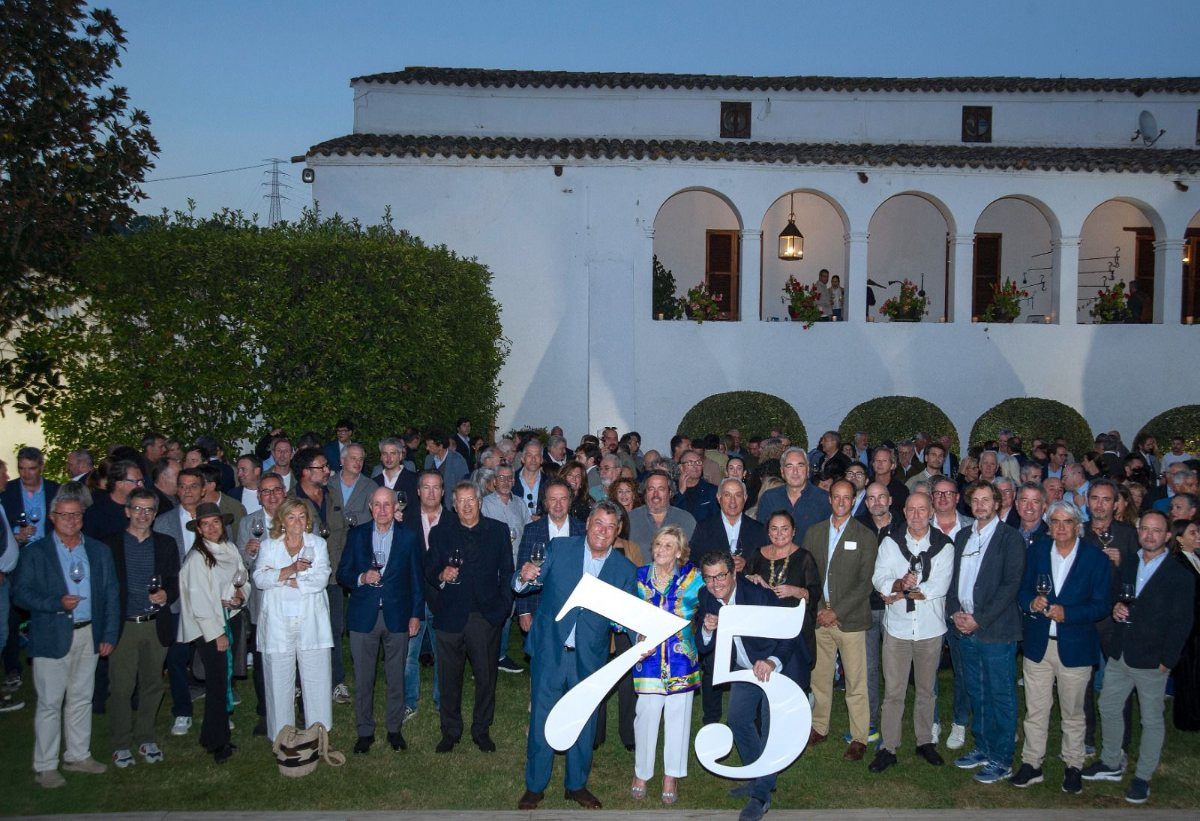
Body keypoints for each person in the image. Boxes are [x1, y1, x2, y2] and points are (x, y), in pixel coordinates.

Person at [514, 501, 637, 810]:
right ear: (588, 524)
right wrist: (525, 576)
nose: (603, 531)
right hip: (551, 650)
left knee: (584, 721)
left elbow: (628, 617)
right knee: (543, 718)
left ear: (617, 531)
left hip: (590, 657)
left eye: (610, 527)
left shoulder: (624, 569)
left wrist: (640, 637)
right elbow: (528, 581)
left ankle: (576, 785)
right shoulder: (561, 547)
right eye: (598, 523)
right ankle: (535, 786)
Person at [1082, 510, 1195, 803]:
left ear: (1168, 537)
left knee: (1151, 720)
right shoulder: (1130, 562)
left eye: (1156, 531)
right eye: (1145, 529)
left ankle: (1143, 777)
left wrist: (1167, 660)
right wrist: (1117, 607)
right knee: (1107, 706)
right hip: (1121, 651)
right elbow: (1119, 595)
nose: (1150, 535)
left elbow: (1182, 622)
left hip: (1153, 659)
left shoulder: (1179, 574)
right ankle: (1111, 761)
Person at [15, 491, 119, 788]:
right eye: (65, 515)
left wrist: (109, 633)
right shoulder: (37, 553)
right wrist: (56, 603)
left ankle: (77, 755)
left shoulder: (98, 551)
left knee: (81, 698)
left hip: (89, 632)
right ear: (52, 518)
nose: (71, 520)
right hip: (52, 635)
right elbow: (21, 593)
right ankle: (45, 765)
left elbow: (111, 593)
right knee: (50, 702)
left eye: (76, 514)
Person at [1010, 501, 1111, 794]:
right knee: (1036, 710)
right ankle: (1032, 764)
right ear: (1049, 524)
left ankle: (1073, 765)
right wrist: (1031, 603)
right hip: (1039, 645)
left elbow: (1102, 604)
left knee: (1073, 713)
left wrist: (1069, 614)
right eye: (1055, 521)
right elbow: (1024, 590)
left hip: (1075, 646)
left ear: (1078, 525)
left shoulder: (1095, 559)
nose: (1061, 527)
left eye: (1067, 522)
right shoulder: (1038, 551)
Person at [696, 550, 789, 821]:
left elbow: (789, 633)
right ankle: (758, 775)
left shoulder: (758, 596)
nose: (715, 584)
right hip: (743, 667)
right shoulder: (707, 597)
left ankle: (761, 796)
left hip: (775, 665)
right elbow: (703, 646)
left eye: (721, 576)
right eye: (709, 578)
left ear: (733, 573)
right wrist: (708, 630)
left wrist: (772, 662)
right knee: (738, 720)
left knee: (771, 732)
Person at [868, 492, 954, 773]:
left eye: (922, 510)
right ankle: (888, 747)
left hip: (930, 630)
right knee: (893, 692)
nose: (917, 515)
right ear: (904, 512)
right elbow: (878, 577)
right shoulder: (891, 544)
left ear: (931, 512)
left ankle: (924, 741)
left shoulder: (944, 546)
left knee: (927, 690)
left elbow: (939, 586)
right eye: (912, 510)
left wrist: (903, 591)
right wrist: (894, 585)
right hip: (898, 630)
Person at [946, 480, 1025, 784]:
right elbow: (953, 583)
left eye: (986, 500)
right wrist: (956, 613)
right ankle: (983, 746)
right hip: (965, 627)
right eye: (975, 500)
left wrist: (979, 619)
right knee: (976, 691)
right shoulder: (964, 536)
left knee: (1000, 695)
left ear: (997, 504)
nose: (980, 505)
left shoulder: (1010, 539)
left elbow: (1010, 587)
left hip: (996, 631)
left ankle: (1002, 758)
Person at [426, 481, 514, 754]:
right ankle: (450, 731)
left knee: (486, 678)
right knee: (449, 677)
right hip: (450, 614)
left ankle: (481, 730)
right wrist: (441, 575)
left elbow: (507, 573)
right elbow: (428, 569)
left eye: (471, 500)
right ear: (454, 504)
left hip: (485, 616)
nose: (466, 505)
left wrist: (500, 612)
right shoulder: (441, 532)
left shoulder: (498, 531)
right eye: (460, 501)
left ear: (479, 502)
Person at [338, 486, 423, 753]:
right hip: (364, 617)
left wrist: (416, 615)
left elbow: (417, 581)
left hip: (397, 615)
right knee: (364, 678)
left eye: (388, 505)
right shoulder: (357, 535)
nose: (383, 510)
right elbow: (342, 573)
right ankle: (365, 731)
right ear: (371, 507)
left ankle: (394, 729)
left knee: (395, 675)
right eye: (378, 505)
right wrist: (362, 578)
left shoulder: (408, 537)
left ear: (395, 508)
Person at [803, 479, 879, 761]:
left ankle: (859, 735)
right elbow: (809, 574)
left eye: (847, 497)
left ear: (854, 500)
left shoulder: (865, 535)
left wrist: (837, 612)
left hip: (850, 621)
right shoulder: (814, 533)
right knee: (819, 678)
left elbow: (865, 583)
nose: (842, 502)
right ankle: (819, 727)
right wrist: (822, 610)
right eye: (837, 497)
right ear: (830, 499)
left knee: (856, 682)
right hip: (820, 620)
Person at [104, 488, 180, 769]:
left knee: (152, 685)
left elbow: (174, 580)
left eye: (148, 510)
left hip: (154, 624)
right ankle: (121, 743)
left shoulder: (165, 544)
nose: (143, 515)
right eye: (137, 509)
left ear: (155, 513)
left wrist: (166, 595)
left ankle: (146, 737)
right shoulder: (111, 545)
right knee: (122, 687)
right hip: (124, 625)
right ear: (127, 511)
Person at [630, 526, 703, 805]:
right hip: (647, 658)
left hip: (681, 659)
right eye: (658, 544)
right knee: (646, 715)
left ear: (680, 552)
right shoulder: (638, 577)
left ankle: (671, 774)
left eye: (668, 546)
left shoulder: (694, 577)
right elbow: (623, 613)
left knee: (679, 717)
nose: (660, 550)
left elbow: (719, 595)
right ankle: (642, 772)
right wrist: (634, 633)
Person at [252, 496, 333, 743]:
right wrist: (291, 570)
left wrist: (284, 580)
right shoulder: (269, 546)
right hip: (278, 622)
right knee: (278, 680)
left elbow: (320, 579)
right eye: (291, 517)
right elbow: (259, 579)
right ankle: (281, 737)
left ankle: (318, 734)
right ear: (282, 521)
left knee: (317, 679)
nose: (297, 522)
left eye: (301, 516)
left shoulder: (317, 544)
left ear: (308, 521)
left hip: (311, 621)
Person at [176, 502, 246, 763]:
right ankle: (218, 742)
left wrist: (239, 596)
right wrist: (216, 634)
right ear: (199, 529)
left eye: (215, 522)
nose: (212, 528)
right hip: (210, 626)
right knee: (217, 684)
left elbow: (242, 578)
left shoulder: (228, 548)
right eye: (206, 524)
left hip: (230, 616)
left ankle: (211, 735)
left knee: (223, 680)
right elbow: (200, 601)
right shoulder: (197, 558)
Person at [744, 511, 820, 689]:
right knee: (762, 681)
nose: (779, 534)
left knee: (793, 681)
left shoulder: (804, 557)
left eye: (784, 529)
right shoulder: (757, 554)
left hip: (793, 630)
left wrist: (797, 591)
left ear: (793, 531)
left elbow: (815, 593)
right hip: (763, 631)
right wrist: (751, 578)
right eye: (774, 529)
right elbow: (741, 582)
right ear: (768, 532)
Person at [234, 472, 285, 736]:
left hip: (290, 601)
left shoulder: (296, 517)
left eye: (276, 490)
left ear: (284, 492)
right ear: (259, 496)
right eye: (266, 491)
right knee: (264, 658)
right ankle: (266, 711)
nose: (272, 495)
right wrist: (249, 553)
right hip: (262, 604)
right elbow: (241, 565)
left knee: (292, 657)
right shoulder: (248, 523)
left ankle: (292, 706)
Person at [754, 447, 832, 542]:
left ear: (808, 470)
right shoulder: (769, 498)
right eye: (789, 466)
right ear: (782, 472)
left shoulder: (824, 499)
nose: (795, 472)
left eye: (800, 466)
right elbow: (761, 536)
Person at [1169, 517, 1200, 731]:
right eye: (1192, 533)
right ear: (1179, 539)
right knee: (1189, 673)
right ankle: (1188, 719)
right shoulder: (1178, 563)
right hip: (1189, 627)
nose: (1198, 536)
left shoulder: (1195, 558)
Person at [629, 471, 696, 554]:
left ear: (670, 493)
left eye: (661, 489)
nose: (655, 494)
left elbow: (692, 555)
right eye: (651, 489)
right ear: (645, 494)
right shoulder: (630, 519)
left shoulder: (686, 519)